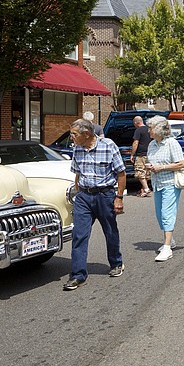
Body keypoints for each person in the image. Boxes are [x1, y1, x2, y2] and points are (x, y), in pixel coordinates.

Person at [63, 119, 126, 291]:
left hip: (105, 195)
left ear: (87, 134)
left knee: (110, 231)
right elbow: (77, 174)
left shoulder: (108, 145)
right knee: (79, 234)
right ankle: (78, 275)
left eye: (74, 134)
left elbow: (121, 173)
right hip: (84, 196)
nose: (71, 137)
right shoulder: (77, 148)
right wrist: (79, 193)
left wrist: (118, 197)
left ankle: (116, 263)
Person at [145, 115, 184, 262]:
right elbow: (152, 161)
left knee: (167, 214)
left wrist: (161, 167)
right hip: (157, 183)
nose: (148, 130)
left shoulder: (171, 143)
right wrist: (150, 167)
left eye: (150, 128)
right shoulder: (152, 145)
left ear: (159, 129)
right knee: (159, 215)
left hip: (170, 182)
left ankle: (167, 247)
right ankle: (171, 240)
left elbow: (181, 163)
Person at [130, 115, 152, 197]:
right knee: (146, 173)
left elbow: (136, 142)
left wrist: (132, 154)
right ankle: (143, 190)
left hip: (141, 155)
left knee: (139, 172)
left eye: (134, 123)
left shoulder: (138, 130)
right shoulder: (149, 129)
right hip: (149, 154)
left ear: (136, 123)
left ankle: (146, 189)